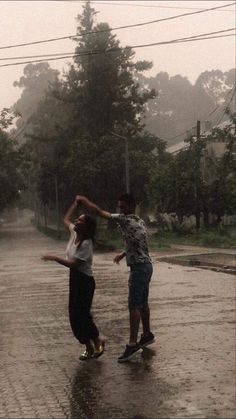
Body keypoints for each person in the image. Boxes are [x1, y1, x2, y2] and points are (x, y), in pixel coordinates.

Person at [76, 193, 155, 363]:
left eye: (124, 207)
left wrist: (84, 201)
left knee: (133, 305)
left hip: (139, 269)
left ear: (132, 206)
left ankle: (133, 343)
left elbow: (99, 212)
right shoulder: (138, 221)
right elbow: (137, 244)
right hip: (147, 266)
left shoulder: (125, 220)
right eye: (120, 207)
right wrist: (122, 254)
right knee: (143, 303)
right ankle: (147, 334)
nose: (121, 210)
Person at [42, 198, 105, 361]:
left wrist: (55, 258)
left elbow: (75, 264)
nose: (76, 221)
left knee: (83, 315)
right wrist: (75, 204)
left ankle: (97, 341)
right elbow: (65, 219)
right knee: (73, 315)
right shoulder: (74, 233)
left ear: (86, 226)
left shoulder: (86, 244)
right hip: (75, 280)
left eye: (80, 220)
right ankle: (88, 346)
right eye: (77, 219)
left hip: (84, 281)